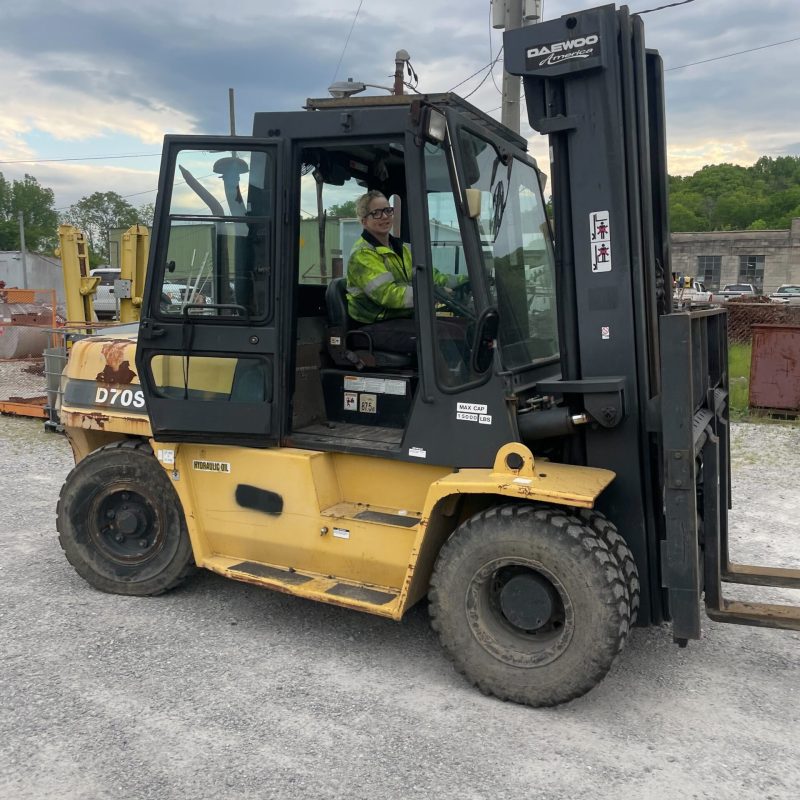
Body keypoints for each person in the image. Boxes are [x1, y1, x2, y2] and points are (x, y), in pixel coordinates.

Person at [346, 190, 466, 357]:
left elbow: (432, 276)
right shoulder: (362, 255)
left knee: (465, 327)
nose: (385, 217)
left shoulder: (402, 249)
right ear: (364, 220)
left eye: (388, 210)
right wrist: (430, 294)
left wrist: (466, 281)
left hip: (402, 319)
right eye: (377, 213)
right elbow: (388, 295)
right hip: (374, 325)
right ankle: (451, 381)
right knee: (444, 335)